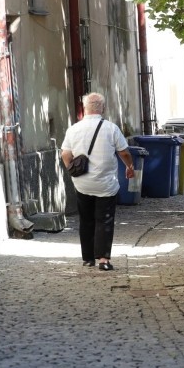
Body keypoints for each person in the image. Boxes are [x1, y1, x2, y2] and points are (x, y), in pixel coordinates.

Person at [61, 92, 134, 271]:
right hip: (105, 183)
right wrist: (129, 166)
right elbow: (123, 152)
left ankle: (87, 259)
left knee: (86, 219)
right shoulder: (111, 128)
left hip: (82, 183)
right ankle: (103, 259)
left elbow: (65, 154)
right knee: (104, 219)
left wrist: (72, 170)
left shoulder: (73, 129)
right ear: (102, 108)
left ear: (84, 108)